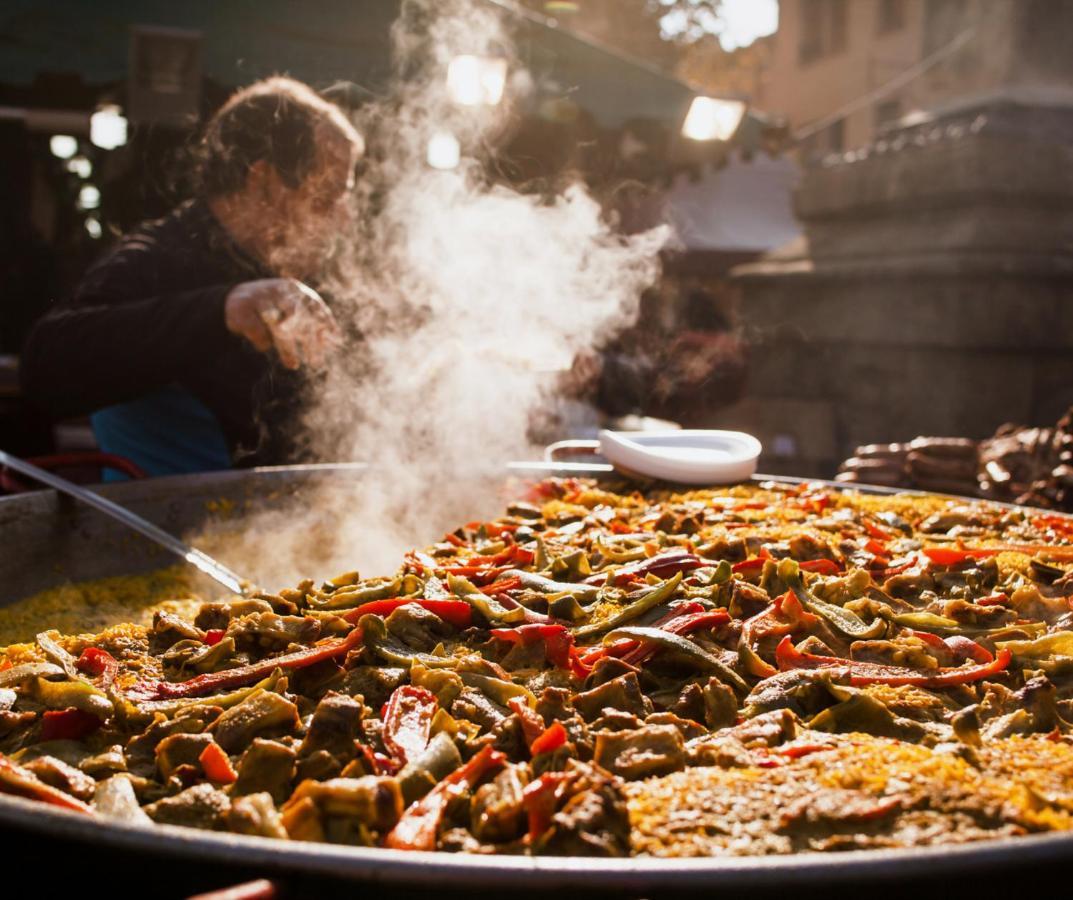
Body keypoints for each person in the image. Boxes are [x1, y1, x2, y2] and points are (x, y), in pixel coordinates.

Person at [20, 77, 363, 476]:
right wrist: (224, 310)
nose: (344, 219)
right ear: (264, 182)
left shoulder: (288, 275)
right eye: (328, 197)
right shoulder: (157, 258)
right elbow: (45, 366)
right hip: (161, 526)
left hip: (280, 522)